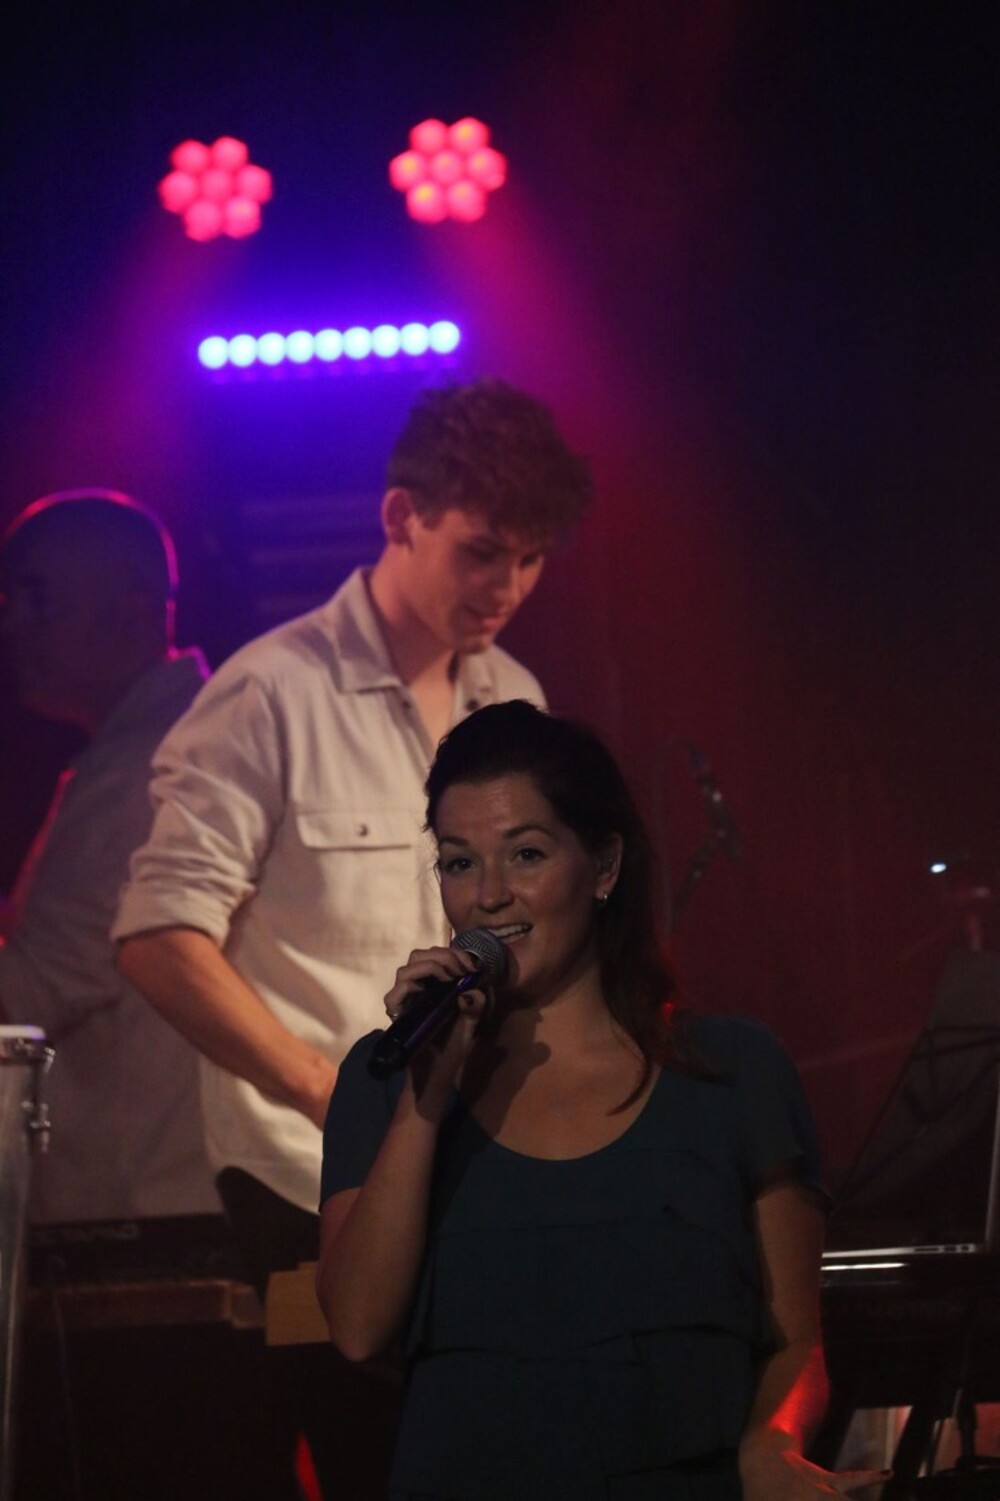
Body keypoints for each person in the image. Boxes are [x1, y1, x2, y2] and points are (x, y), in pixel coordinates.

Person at [113, 379, 594, 1495]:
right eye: (482, 552)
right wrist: (329, 1090)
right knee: (385, 1464)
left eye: (530, 559)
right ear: (399, 517)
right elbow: (156, 935)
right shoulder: (270, 693)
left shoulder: (514, 697)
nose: (507, 587)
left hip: (471, 1158)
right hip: (304, 1170)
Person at [317, 701, 890, 1500]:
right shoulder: (388, 1078)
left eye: (526, 854)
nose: (489, 895)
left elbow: (797, 1344)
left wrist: (772, 1445)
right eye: (458, 862)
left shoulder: (733, 1070)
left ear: (606, 867)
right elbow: (356, 1325)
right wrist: (427, 1095)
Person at [0, 489, 217, 1223]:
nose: (12, 626)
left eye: (37, 599)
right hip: (168, 1199)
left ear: (133, 606)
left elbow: (24, 997)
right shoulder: (171, 739)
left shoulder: (147, 766)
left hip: (144, 1214)